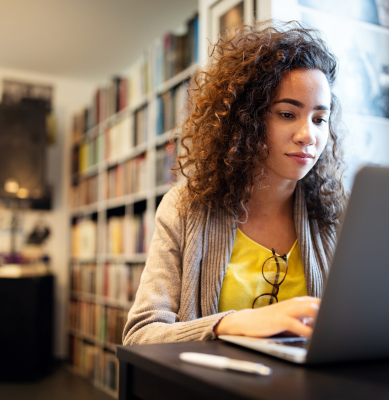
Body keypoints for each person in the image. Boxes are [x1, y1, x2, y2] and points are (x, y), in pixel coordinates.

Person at [123, 21, 347, 345]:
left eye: (319, 119)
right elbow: (140, 335)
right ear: (247, 118)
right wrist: (232, 324)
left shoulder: (338, 216)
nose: (308, 136)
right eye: (287, 114)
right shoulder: (184, 208)